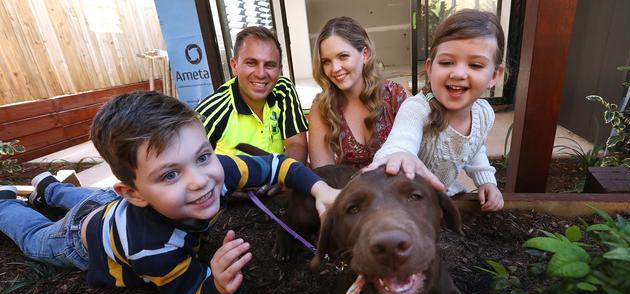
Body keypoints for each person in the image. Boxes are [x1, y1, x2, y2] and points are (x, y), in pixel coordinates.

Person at [0, 91, 338, 294]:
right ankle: (6, 204)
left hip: (105, 205)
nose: (199, 180)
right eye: (171, 174)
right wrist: (217, 286)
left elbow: (280, 165)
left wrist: (321, 189)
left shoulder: (215, 172)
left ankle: (46, 185)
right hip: (79, 239)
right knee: (35, 238)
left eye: (203, 156)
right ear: (133, 192)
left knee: (85, 198)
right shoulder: (151, 247)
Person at [369, 9, 505, 211]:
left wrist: (486, 181)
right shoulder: (417, 109)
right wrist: (400, 153)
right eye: (447, 62)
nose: (458, 73)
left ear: (494, 75)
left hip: (437, 199)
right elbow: (402, 139)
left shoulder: (484, 114)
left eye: (475, 65)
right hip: (398, 205)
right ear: (431, 67)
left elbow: (474, 148)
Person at [308, 16, 409, 168]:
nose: (335, 68)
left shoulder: (395, 95)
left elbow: (417, 157)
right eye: (326, 62)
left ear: (365, 55)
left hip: (395, 188)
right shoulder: (322, 107)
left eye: (343, 56)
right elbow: (324, 174)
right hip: (345, 190)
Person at [195, 26, 308, 163]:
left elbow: (296, 143)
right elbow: (189, 165)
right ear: (234, 66)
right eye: (251, 63)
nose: (261, 74)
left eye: (269, 65)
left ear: (280, 70)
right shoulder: (211, 112)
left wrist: (287, 177)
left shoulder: (283, 89)